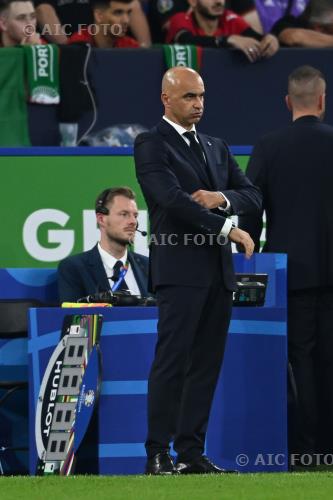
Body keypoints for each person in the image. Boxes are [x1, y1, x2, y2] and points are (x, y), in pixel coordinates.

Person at [134, 66, 262, 474]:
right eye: (189, 96)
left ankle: (190, 452)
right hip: (179, 271)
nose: (199, 104)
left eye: (202, 96)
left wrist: (220, 197)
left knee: (206, 364)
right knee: (172, 361)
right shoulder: (150, 144)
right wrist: (228, 227)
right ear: (166, 99)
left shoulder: (217, 145)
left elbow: (252, 194)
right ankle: (157, 452)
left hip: (218, 274)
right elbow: (169, 199)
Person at [238, 65, 333, 456]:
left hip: (290, 277)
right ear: (323, 101)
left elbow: (247, 209)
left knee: (300, 363)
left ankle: (308, 449)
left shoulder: (268, 146)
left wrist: (250, 253)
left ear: (288, 102)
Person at [58, 187, 149, 303]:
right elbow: (74, 318)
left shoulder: (149, 267)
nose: (133, 221)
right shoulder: (74, 268)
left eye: (135, 215)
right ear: (101, 219)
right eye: (124, 214)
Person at [165, 0, 279, 62]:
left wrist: (270, 38)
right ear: (193, 1)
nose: (219, 1)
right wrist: (227, 39)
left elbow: (256, 37)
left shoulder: (229, 18)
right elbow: (186, 40)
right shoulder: (181, 18)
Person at [35, 0, 151, 45]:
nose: (126, 19)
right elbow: (43, 11)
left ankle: (147, 52)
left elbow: (129, 4)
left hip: (107, 34)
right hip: (70, 42)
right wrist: (69, 49)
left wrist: (146, 51)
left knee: (132, 4)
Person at [68, 0, 140, 48]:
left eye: (128, 13)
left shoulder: (131, 46)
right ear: (99, 16)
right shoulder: (79, 44)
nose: (126, 20)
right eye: (118, 13)